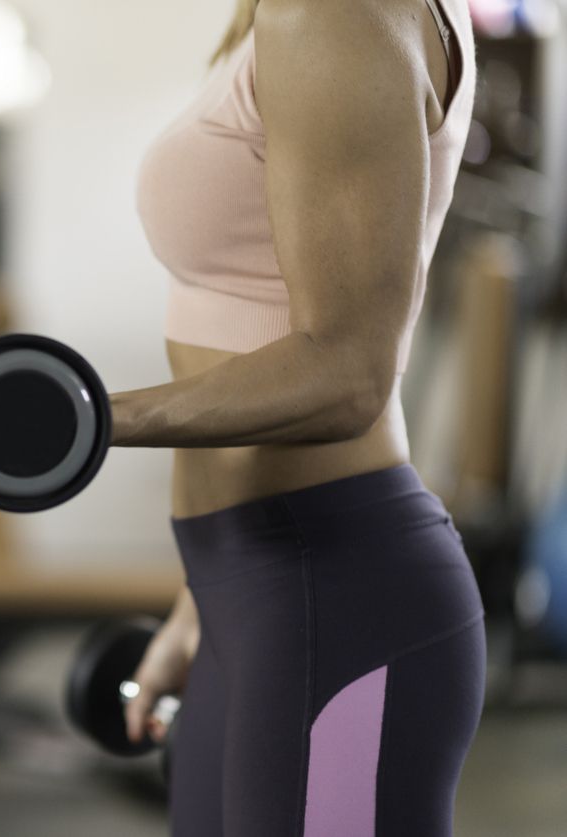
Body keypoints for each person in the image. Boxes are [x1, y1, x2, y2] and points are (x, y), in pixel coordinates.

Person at [111, 0, 485, 834]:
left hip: (338, 585)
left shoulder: (341, 10)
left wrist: (85, 420)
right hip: (244, 584)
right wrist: (198, 605)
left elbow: (349, 369)